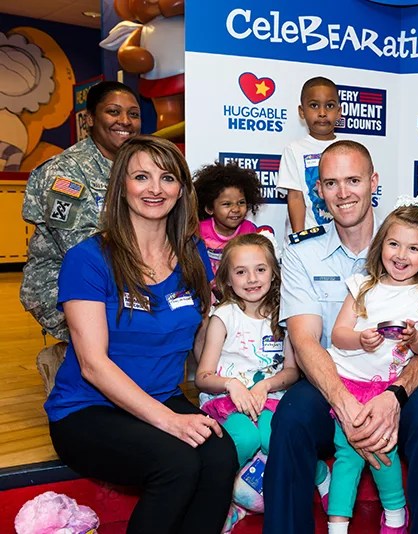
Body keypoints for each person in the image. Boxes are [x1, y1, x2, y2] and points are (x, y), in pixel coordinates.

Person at [45, 135, 238, 533]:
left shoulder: (192, 254)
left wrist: (236, 377)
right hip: (88, 409)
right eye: (141, 176)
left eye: (167, 177)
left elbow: (200, 332)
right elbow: (94, 366)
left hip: (161, 397)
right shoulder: (88, 259)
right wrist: (171, 421)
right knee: (177, 462)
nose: (155, 188)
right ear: (122, 186)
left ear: (181, 189)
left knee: (220, 454)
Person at [263, 140, 418, 534]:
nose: (343, 193)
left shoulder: (407, 241)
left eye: (353, 180)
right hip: (333, 376)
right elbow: (304, 341)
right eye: (331, 183)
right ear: (318, 190)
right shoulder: (302, 253)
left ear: (373, 182)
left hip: (399, 377)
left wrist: (393, 397)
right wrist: (346, 403)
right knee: (291, 420)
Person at [326, 197, 418, 533]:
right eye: (394, 244)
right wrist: (360, 339)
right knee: (349, 453)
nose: (401, 255)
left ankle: (395, 517)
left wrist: (414, 337)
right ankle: (336, 523)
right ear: (381, 245)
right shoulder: (363, 286)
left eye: (413, 248)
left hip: (389, 388)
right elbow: (338, 335)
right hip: (349, 383)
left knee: (384, 448)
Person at [196, 232, 330, 531]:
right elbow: (203, 377)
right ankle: (228, 501)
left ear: (274, 273)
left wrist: (265, 385)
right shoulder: (223, 317)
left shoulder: (283, 315)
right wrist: (232, 384)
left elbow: (293, 371)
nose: (252, 278)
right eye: (240, 272)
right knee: (245, 439)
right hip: (227, 400)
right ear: (228, 279)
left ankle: (318, 472)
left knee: (274, 438)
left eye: (260, 269)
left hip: (269, 396)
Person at [20, 81, 142, 391]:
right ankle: (65, 361)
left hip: (124, 275)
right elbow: (82, 251)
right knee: (136, 322)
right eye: (113, 112)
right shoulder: (65, 173)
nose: (125, 121)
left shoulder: (137, 167)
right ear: (89, 119)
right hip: (64, 285)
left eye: (133, 113)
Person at [276, 76, 342, 237]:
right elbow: (296, 197)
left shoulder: (348, 149)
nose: (322, 113)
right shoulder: (294, 150)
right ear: (302, 111)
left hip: (342, 239)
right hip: (308, 237)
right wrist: (300, 239)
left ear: (339, 112)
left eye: (330, 106)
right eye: (314, 105)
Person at [194, 162, 263, 274]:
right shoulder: (198, 230)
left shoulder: (248, 230)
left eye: (241, 202)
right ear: (210, 208)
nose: (235, 209)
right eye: (227, 204)